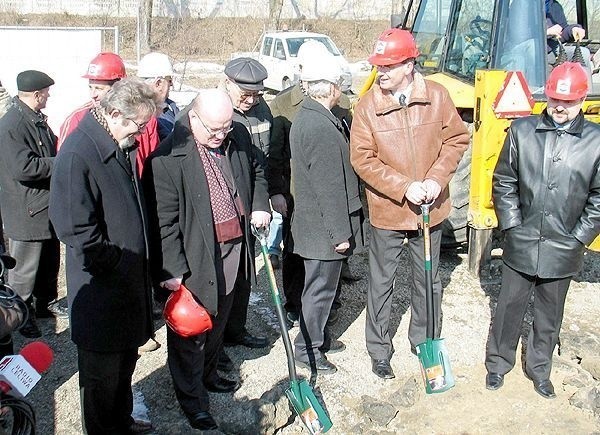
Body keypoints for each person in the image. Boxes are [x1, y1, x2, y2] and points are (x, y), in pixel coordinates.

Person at [143, 89, 270, 431]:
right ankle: (193, 401)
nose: (220, 136)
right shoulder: (168, 158)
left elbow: (258, 171)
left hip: (235, 247)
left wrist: (260, 204)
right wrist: (172, 272)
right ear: (193, 117)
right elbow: (163, 224)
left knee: (220, 318)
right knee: (191, 331)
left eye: (226, 128)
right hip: (197, 255)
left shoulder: (236, 134)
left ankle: (210, 374)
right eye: (213, 130)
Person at [350, 29, 469, 380]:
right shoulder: (368, 106)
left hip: (430, 210)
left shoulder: (437, 96)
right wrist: (404, 186)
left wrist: (435, 179)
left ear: (409, 64)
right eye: (378, 66)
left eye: (388, 66)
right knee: (380, 282)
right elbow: (362, 159)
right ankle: (379, 349)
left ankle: (425, 340)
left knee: (428, 281)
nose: (381, 73)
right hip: (388, 210)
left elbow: (457, 139)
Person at [485, 62, 600, 399]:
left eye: (568, 102)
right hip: (522, 239)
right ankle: (497, 364)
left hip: (564, 245)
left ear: (582, 100)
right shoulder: (523, 131)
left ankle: (539, 369)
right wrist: (513, 225)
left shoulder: (596, 142)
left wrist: (579, 237)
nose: (560, 108)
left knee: (549, 315)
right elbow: (504, 180)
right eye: (554, 100)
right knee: (508, 308)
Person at [49, 77, 157, 434]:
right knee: (101, 379)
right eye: (139, 125)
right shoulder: (79, 152)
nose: (141, 133)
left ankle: (121, 423)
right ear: (114, 114)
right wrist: (114, 263)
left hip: (125, 287)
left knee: (124, 368)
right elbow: (74, 227)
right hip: (102, 292)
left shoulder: (117, 144)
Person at [268, 39, 356, 327]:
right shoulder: (282, 103)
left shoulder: (339, 102)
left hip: (324, 184)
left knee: (328, 257)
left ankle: (326, 306)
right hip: (296, 190)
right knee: (295, 253)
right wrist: (277, 191)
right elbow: (275, 154)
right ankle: (296, 302)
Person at [290, 54, 363, 374]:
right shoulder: (319, 125)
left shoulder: (311, 116)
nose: (342, 91)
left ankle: (317, 337)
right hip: (323, 229)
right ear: (332, 88)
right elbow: (328, 187)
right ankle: (307, 349)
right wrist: (340, 234)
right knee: (319, 292)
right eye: (341, 86)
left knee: (320, 290)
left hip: (316, 226)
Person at [0, 70, 69, 340]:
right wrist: (59, 163)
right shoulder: (13, 125)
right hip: (26, 210)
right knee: (24, 269)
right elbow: (24, 168)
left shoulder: (34, 119)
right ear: (37, 94)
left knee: (49, 261)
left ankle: (44, 304)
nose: (49, 96)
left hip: (43, 206)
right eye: (47, 92)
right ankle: (19, 313)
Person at [220, 57, 271, 349]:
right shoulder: (209, 113)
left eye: (256, 94)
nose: (251, 101)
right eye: (245, 94)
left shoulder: (263, 112)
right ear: (228, 84)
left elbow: (260, 164)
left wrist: (262, 203)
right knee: (224, 279)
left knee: (245, 274)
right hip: (223, 212)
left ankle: (236, 331)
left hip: (250, 208)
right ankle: (218, 338)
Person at [57, 52, 127, 149]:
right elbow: (63, 158)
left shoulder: (136, 117)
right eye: (90, 87)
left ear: (117, 87)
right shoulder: (77, 118)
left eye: (99, 89)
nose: (93, 95)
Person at [136, 51, 180, 141]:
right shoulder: (146, 116)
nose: (171, 85)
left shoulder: (170, 106)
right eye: (169, 80)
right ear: (158, 83)